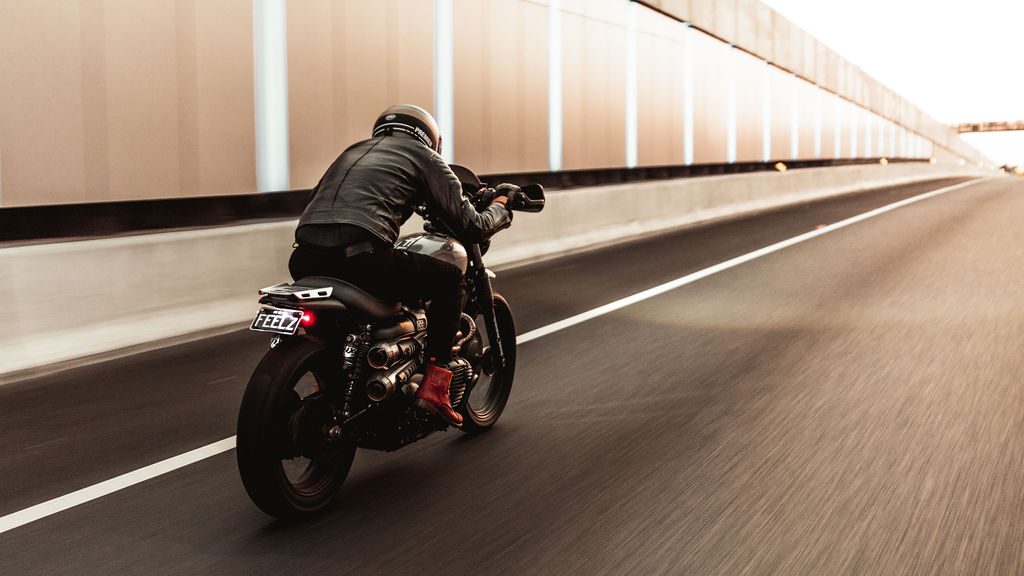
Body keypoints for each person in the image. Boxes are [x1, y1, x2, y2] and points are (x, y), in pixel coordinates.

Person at [289, 104, 516, 426]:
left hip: (304, 258)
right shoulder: (425, 157)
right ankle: (436, 384)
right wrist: (501, 206)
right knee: (451, 279)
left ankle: (331, 381)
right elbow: (472, 226)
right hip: (362, 259)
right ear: (431, 139)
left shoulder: (353, 152)